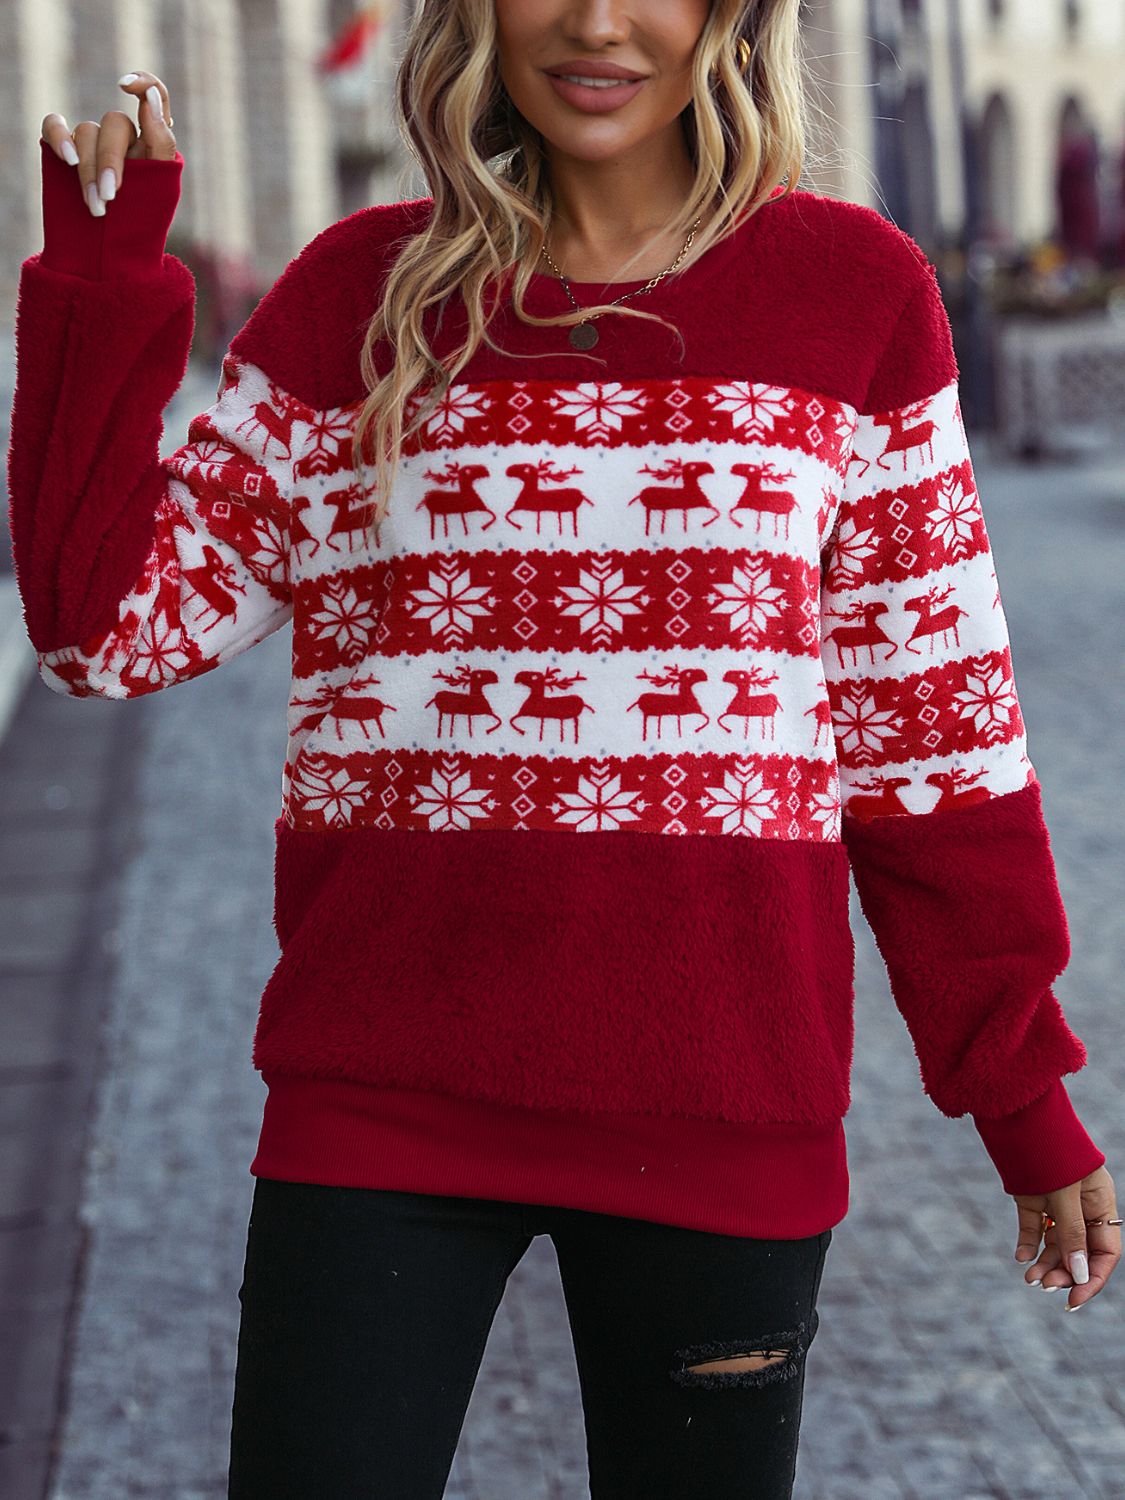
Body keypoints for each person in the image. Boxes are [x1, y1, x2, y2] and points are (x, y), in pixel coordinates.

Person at [10, 2, 1119, 1495]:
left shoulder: (854, 295)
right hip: (375, 1107)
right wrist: (97, 284)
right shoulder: (357, 299)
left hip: (722, 1109)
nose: (598, 22)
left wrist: (1021, 1096)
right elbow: (100, 629)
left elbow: (932, 741)